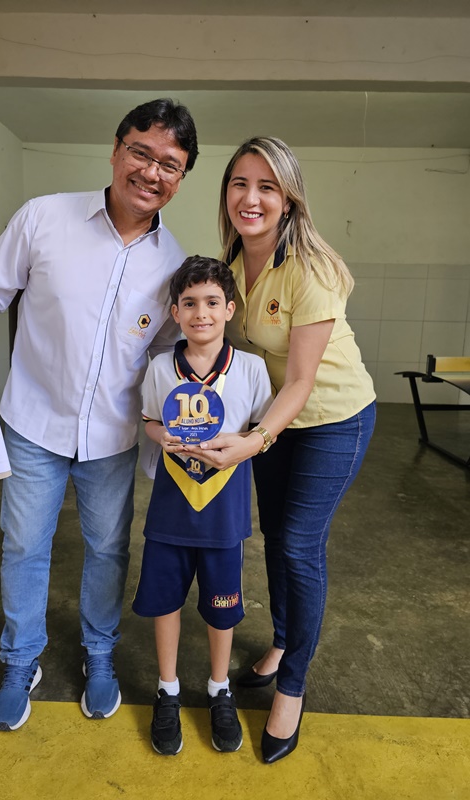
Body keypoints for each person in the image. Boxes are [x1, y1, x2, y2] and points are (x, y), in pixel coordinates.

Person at [0, 98, 199, 731]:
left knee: (108, 550)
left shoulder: (173, 264)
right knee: (23, 546)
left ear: (181, 178)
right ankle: (20, 661)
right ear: (116, 149)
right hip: (33, 425)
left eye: (169, 165)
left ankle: (100, 653)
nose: (151, 172)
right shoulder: (44, 216)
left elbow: (163, 353)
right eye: (141, 153)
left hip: (113, 438)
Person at [183, 137, 376, 764]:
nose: (251, 198)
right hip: (274, 422)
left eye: (267, 186)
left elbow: (299, 380)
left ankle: (292, 684)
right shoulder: (230, 264)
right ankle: (284, 639)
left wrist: (252, 441)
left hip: (333, 419)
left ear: (288, 199)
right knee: (274, 536)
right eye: (240, 183)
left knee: (298, 543)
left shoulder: (311, 269)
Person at [132, 256, 272, 756]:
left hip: (223, 516)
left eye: (212, 302)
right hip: (170, 512)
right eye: (189, 303)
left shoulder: (251, 369)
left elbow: (263, 432)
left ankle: (219, 688)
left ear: (230, 309)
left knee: (221, 609)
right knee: (165, 602)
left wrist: (243, 444)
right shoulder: (160, 368)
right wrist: (162, 436)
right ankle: (167, 688)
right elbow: (149, 421)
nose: (201, 313)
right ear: (175, 311)